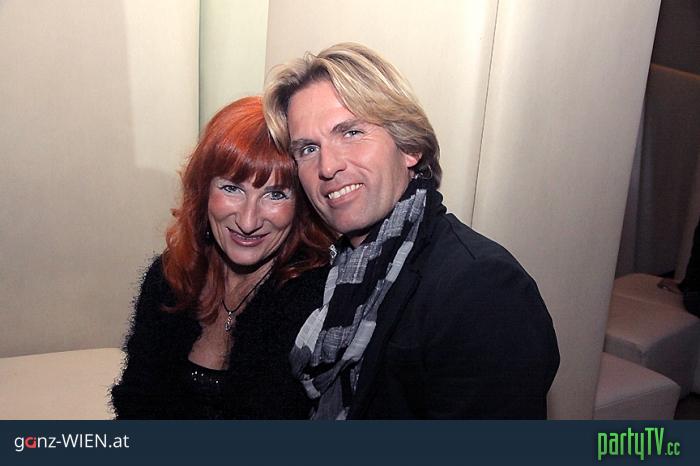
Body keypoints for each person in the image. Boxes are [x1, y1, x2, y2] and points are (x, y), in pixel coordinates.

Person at [263, 43, 560, 419]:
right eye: (308, 149)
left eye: (351, 132)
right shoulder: (334, 275)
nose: (328, 166)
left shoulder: (482, 287)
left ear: (409, 147)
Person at [111, 96, 334, 419]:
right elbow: (136, 400)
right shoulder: (170, 276)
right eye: (232, 188)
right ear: (203, 190)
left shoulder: (317, 299)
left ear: (301, 205)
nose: (248, 221)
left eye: (275, 194)